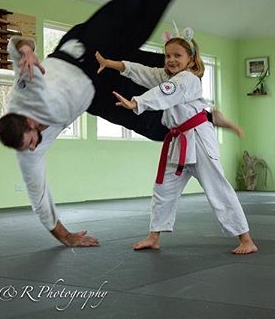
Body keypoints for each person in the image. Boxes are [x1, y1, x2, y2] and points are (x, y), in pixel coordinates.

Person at [0, 0, 240, 247]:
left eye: (33, 138)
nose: (36, 145)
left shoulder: (26, 92)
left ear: (27, 119)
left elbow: (15, 44)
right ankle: (209, 116)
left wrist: (25, 48)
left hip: (85, 52)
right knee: (158, 128)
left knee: (133, 3)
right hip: (95, 93)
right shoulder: (26, 150)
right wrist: (66, 237)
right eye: (29, 147)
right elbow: (38, 195)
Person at [95, 27, 258, 255]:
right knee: (163, 188)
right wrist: (111, 64)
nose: (171, 60)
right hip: (178, 141)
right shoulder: (167, 76)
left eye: (177, 55)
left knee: (217, 188)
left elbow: (166, 92)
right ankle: (154, 237)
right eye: (168, 55)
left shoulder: (188, 79)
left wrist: (137, 103)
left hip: (199, 139)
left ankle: (246, 239)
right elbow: (141, 71)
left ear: (190, 59)